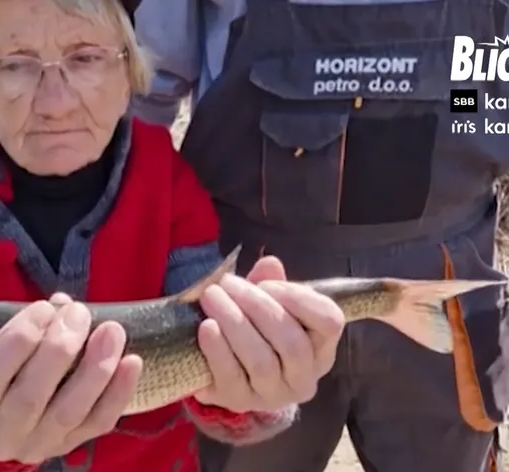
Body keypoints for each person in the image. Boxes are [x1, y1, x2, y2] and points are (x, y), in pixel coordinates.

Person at [0, 0, 348, 470]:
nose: (55, 103)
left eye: (86, 58)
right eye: (16, 65)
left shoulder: (170, 177)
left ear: (129, 80)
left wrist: (256, 393)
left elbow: (228, 405)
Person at [131, 1, 509, 471]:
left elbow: (481, 95)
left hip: (445, 292)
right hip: (256, 307)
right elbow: (143, 95)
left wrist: (443, 94)